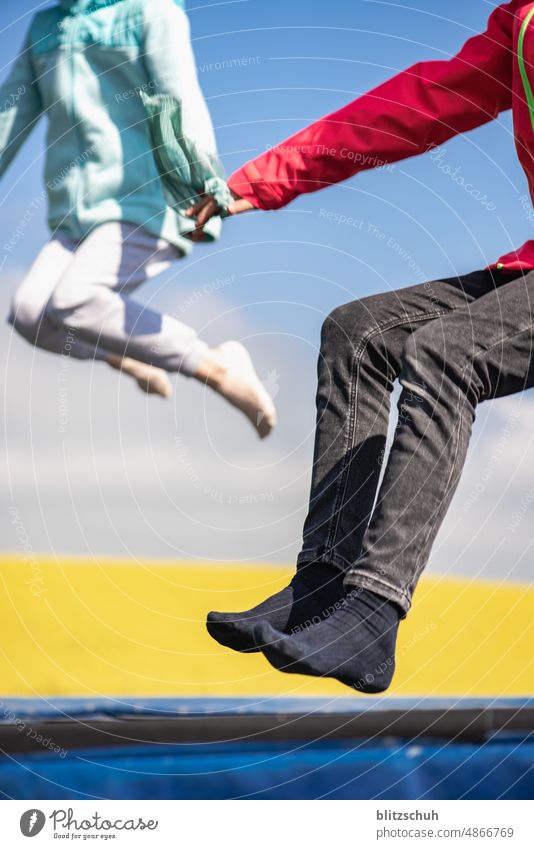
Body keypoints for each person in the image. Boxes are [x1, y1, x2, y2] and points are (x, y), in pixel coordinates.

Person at [190, 0, 533, 689]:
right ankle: (325, 579)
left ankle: (373, 612)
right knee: (360, 332)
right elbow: (413, 105)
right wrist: (250, 184)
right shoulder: (522, 23)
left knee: (448, 350)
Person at [1, 0, 276, 438]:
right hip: (76, 212)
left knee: (74, 302)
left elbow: (180, 95)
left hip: (148, 199)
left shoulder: (151, 13)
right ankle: (125, 350)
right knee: (29, 315)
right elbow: (8, 117)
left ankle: (215, 365)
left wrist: (204, 179)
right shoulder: (45, 28)